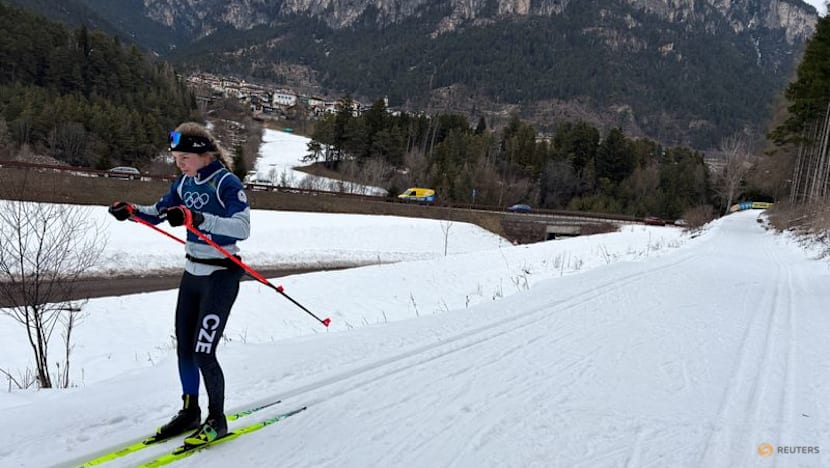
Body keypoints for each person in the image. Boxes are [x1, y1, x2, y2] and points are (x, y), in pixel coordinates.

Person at [108, 122, 251, 446]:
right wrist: (130, 211)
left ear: (204, 154)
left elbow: (241, 227)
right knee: (185, 349)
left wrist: (197, 219)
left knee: (204, 352)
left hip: (220, 276)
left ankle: (217, 419)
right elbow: (158, 212)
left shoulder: (226, 183)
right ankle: (190, 411)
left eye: (184, 157)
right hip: (192, 275)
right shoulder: (185, 182)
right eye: (176, 157)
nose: (179, 163)